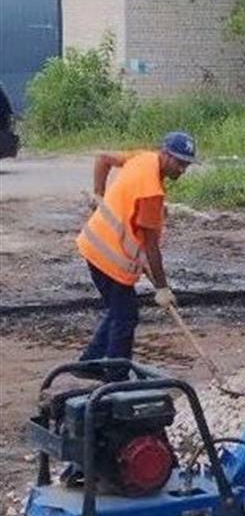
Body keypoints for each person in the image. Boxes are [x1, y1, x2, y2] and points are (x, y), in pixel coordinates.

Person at [75, 131, 197, 381]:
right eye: (179, 162)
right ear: (165, 154)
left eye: (186, 164)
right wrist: (162, 288)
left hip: (93, 245)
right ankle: (116, 377)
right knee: (126, 315)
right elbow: (152, 248)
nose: (182, 169)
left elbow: (103, 158)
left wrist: (99, 194)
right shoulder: (151, 193)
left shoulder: (143, 158)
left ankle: (90, 362)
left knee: (118, 310)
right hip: (109, 259)